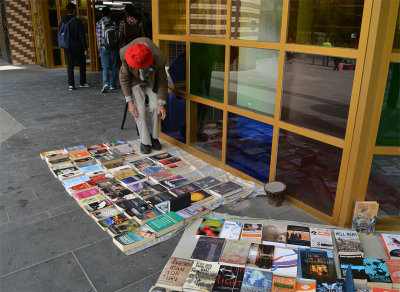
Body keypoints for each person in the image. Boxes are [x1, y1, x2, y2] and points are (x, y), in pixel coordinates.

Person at [119, 37, 167, 154]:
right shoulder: (125, 53)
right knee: (139, 109)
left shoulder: (159, 57)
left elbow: (162, 80)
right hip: (135, 81)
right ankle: (145, 142)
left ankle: (154, 137)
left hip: (151, 81)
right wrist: (130, 102)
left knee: (156, 107)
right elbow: (124, 79)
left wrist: (161, 103)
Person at [59, 3, 90, 91]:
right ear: (74, 10)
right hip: (77, 46)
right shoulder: (77, 21)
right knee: (82, 64)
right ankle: (82, 82)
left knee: (70, 65)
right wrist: (85, 48)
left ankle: (71, 85)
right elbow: (82, 36)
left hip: (67, 46)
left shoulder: (63, 21)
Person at [96, 7, 119, 93]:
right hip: (112, 47)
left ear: (102, 14)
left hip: (103, 47)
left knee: (105, 67)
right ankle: (113, 85)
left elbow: (98, 37)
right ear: (110, 14)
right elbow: (117, 35)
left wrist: (99, 48)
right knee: (114, 66)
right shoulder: (113, 23)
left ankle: (105, 83)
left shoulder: (98, 23)